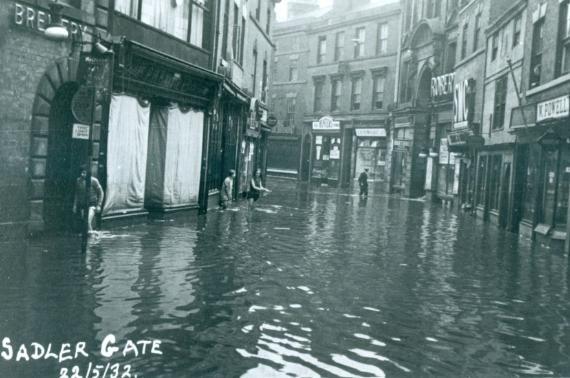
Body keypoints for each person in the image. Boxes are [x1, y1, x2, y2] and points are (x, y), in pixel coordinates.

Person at [73, 165, 104, 235]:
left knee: (87, 221)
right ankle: (93, 236)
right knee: (85, 222)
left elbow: (101, 193)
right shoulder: (78, 181)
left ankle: (92, 237)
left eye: (84, 173)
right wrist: (74, 205)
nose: (82, 175)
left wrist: (99, 205)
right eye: (81, 173)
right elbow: (77, 194)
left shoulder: (94, 181)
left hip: (92, 204)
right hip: (82, 205)